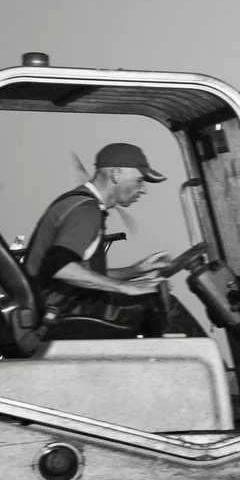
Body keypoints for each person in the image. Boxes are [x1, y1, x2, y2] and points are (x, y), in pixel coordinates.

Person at [24, 143, 177, 337]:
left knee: (154, 301)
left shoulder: (78, 202)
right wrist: (125, 287)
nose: (144, 189)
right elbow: (59, 267)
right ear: (116, 174)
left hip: (59, 303)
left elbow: (82, 275)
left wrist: (135, 271)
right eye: (139, 180)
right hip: (60, 311)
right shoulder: (86, 211)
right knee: (165, 308)